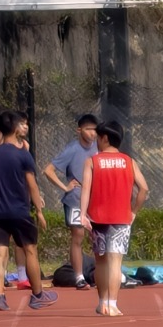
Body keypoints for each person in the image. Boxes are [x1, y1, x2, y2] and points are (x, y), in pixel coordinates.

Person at [0, 111, 56, 312]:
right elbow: (32, 185)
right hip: (19, 211)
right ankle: (38, 295)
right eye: (22, 124)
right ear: (15, 128)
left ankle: (0, 297)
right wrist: (39, 211)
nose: (25, 127)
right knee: (30, 250)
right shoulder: (23, 154)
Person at [79, 120, 148, 317]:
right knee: (115, 263)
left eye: (98, 138)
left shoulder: (92, 161)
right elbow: (144, 189)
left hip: (97, 218)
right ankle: (113, 304)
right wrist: (134, 211)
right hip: (121, 218)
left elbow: (86, 189)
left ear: (105, 138)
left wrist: (82, 214)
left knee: (101, 262)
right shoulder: (129, 161)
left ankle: (102, 303)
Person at [42, 114, 98, 289]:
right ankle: (79, 276)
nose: (92, 133)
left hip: (95, 199)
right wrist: (65, 187)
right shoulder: (72, 149)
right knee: (78, 236)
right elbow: (48, 170)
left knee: (98, 237)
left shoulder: (99, 147)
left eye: (95, 129)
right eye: (88, 129)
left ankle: (100, 273)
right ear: (79, 130)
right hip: (75, 199)